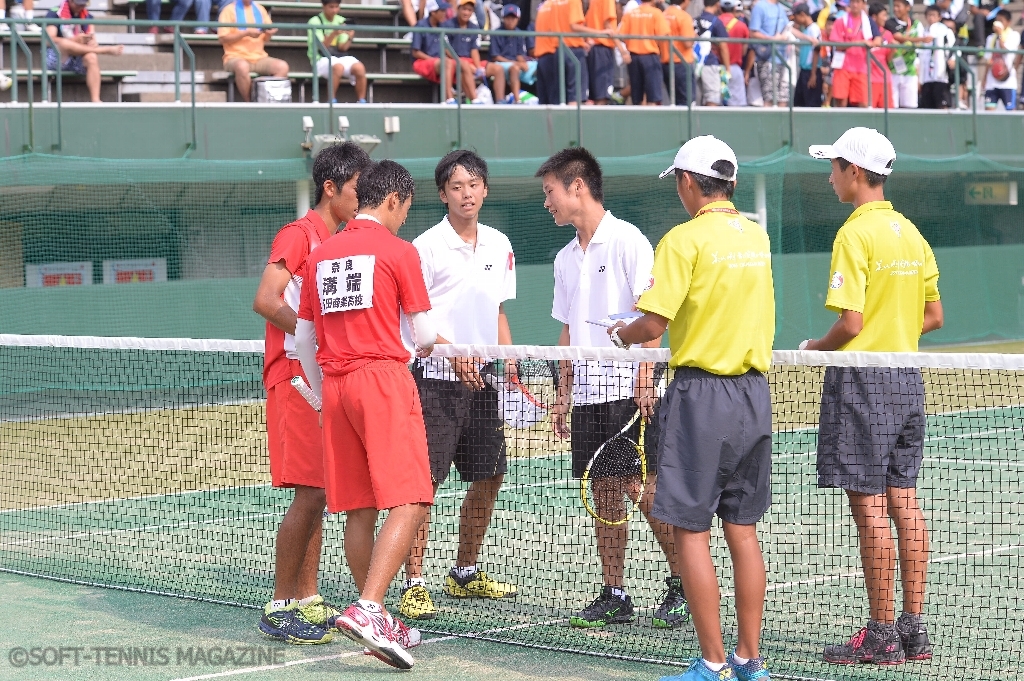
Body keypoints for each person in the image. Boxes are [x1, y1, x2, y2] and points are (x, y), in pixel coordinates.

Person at [609, 135, 774, 681]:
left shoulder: (682, 240)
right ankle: (750, 661)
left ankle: (713, 664)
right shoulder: (757, 236)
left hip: (701, 395)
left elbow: (652, 325)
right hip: (754, 396)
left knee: (691, 531)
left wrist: (622, 335)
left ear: (686, 182)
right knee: (743, 530)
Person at [804, 127, 942, 666]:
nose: (830, 176)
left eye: (834, 166)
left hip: (863, 379)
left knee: (870, 512)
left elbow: (851, 322)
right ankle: (912, 629)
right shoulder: (911, 233)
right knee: (904, 499)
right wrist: (895, 333)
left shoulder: (855, 234)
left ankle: (882, 635)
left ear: (854, 173)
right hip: (907, 378)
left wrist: (816, 348)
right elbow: (933, 316)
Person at [538, 147, 689, 632]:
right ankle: (615, 591)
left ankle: (683, 583)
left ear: (577, 187)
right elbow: (566, 331)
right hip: (586, 395)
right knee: (603, 494)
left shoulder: (629, 241)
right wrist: (563, 393)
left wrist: (646, 376)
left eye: (551, 193)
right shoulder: (564, 258)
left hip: (630, 390)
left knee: (644, 493)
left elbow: (653, 315)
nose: (548, 204)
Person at [294, 160, 436, 670]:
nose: (404, 221)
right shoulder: (400, 252)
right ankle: (371, 606)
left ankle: (371, 613)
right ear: (394, 200)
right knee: (413, 497)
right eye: (406, 210)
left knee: (360, 507)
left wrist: (318, 387)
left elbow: (304, 338)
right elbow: (421, 336)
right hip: (381, 381)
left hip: (334, 387)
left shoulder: (322, 253)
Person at [251, 142, 373, 646]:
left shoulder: (341, 240)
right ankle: (279, 606)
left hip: (323, 379)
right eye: (357, 191)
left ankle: (305, 597)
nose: (363, 200)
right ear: (331, 188)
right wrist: (312, 337)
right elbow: (265, 299)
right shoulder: (299, 235)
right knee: (313, 492)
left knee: (320, 491)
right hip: (295, 379)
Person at [400, 150, 519, 622]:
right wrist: (456, 355)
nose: (466, 193)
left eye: (473, 184)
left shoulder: (499, 243)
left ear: (485, 189)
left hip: (484, 381)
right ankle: (413, 581)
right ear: (443, 195)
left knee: (491, 474)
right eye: (456, 186)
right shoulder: (424, 247)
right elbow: (414, 323)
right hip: (435, 383)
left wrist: (507, 363)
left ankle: (464, 572)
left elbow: (498, 313)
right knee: (422, 483)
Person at [44, 0, 125, 103]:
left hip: (78, 57)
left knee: (92, 57)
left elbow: (93, 39)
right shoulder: (54, 13)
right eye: (78, 3)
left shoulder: (87, 16)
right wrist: (75, 40)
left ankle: (95, 100)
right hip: (58, 58)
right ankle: (104, 50)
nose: (81, 6)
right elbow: (49, 40)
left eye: (83, 3)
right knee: (65, 44)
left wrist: (91, 42)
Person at [218, 0, 289, 102]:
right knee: (242, 66)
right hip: (234, 56)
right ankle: (251, 102)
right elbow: (223, 38)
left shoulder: (260, 9)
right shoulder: (228, 10)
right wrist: (245, 33)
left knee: (282, 67)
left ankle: (266, 99)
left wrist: (269, 33)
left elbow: (266, 38)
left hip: (259, 57)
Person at [412, 0, 480, 103]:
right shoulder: (421, 25)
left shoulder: (443, 26)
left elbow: (446, 48)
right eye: (442, 11)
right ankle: (448, 99)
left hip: (440, 61)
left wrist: (455, 59)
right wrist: (433, 59)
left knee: (464, 64)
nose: (445, 13)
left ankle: (475, 100)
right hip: (423, 61)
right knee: (447, 62)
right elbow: (415, 52)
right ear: (433, 12)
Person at [534, 0, 601, 104]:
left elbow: (554, 29)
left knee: (552, 102)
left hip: (551, 53)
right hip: (565, 51)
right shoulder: (570, 2)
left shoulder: (547, 6)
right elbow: (573, 26)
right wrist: (599, 33)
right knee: (574, 98)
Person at [443, 0, 507, 103]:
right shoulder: (447, 25)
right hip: (454, 60)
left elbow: (474, 50)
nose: (466, 13)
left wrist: (478, 68)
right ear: (458, 9)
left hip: (469, 61)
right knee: (465, 65)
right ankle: (475, 100)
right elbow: (445, 48)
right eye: (464, 9)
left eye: (469, 10)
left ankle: (500, 101)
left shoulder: (474, 27)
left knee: (498, 69)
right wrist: (461, 61)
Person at [307, 0, 367, 103]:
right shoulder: (315, 21)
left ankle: (361, 101)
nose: (334, 10)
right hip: (320, 58)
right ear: (324, 6)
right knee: (338, 67)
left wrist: (350, 38)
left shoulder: (341, 20)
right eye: (331, 7)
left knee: (359, 68)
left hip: (339, 56)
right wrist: (334, 34)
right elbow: (322, 48)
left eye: (336, 7)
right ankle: (332, 100)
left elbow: (342, 48)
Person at [829, 0, 881, 107]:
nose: (855, 5)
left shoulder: (868, 21)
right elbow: (837, 45)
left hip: (861, 68)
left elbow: (878, 39)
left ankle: (861, 124)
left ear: (863, 4)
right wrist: (858, 42)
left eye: (858, 2)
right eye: (853, 2)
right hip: (842, 67)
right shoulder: (841, 21)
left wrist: (873, 43)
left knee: (863, 102)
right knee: (841, 102)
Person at [619, 0, 670, 105]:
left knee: (637, 97)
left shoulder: (631, 13)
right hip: (650, 57)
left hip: (634, 57)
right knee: (653, 97)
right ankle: (652, 120)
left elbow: (621, 35)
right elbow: (663, 36)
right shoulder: (656, 13)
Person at [490, 4, 537, 103]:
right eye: (508, 17)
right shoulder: (496, 32)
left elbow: (519, 54)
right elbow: (496, 57)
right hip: (501, 63)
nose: (510, 20)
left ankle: (543, 98)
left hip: (515, 62)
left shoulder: (518, 33)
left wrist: (522, 62)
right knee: (514, 68)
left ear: (518, 19)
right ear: (503, 18)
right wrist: (515, 63)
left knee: (539, 66)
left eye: (513, 18)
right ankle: (517, 99)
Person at [884, 0, 927, 109]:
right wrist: (920, 39)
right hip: (893, 70)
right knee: (892, 106)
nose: (895, 9)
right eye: (894, 6)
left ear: (908, 7)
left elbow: (919, 48)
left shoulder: (916, 24)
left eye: (899, 6)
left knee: (910, 107)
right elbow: (898, 37)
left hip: (910, 71)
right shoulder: (890, 23)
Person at [749, 0, 790, 107]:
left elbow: (788, 28)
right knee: (769, 97)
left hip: (782, 58)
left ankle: (782, 124)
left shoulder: (780, 8)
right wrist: (773, 39)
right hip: (767, 59)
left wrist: (808, 38)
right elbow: (753, 32)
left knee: (783, 97)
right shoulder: (760, 7)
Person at [980, 10, 1020, 111]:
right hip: (991, 82)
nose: (998, 22)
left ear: (1008, 22)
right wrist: (984, 79)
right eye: (997, 20)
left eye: (1001, 20)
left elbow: (1005, 50)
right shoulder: (991, 38)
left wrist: (1000, 35)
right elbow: (989, 59)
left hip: (1007, 81)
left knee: (1011, 112)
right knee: (989, 111)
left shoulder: (1014, 35)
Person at [694, 0, 731, 106]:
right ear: (717, 4)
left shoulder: (695, 20)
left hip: (694, 62)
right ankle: (709, 122)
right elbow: (723, 46)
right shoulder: (716, 21)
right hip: (710, 62)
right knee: (712, 97)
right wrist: (728, 69)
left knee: (696, 98)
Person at [919, 5, 955, 109]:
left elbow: (954, 48)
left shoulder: (946, 32)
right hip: (926, 76)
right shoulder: (923, 33)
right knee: (927, 104)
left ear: (939, 17)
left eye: (934, 15)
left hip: (941, 75)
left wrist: (952, 60)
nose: (931, 18)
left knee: (941, 103)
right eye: (929, 15)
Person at [661, 0, 696, 105]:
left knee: (673, 101)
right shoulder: (684, 17)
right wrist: (694, 36)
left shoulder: (663, 14)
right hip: (682, 63)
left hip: (665, 62)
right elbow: (688, 43)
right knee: (687, 101)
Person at [717, 0, 749, 107]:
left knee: (714, 105)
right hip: (734, 68)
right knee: (737, 107)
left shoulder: (715, 22)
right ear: (734, 8)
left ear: (720, 8)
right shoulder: (742, 26)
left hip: (716, 68)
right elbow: (744, 51)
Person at [585, 0, 618, 103]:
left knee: (595, 95)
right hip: (603, 49)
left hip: (593, 49)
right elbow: (608, 24)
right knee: (602, 95)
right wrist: (622, 50)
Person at [791, 3, 824, 106]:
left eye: (796, 17)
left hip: (811, 71)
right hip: (804, 71)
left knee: (811, 103)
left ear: (802, 15)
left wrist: (813, 74)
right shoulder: (805, 29)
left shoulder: (814, 28)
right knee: (799, 102)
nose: (795, 20)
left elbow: (816, 51)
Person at [867, 3, 894, 108]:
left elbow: (888, 59)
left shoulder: (888, 34)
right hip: (870, 79)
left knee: (886, 113)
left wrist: (893, 49)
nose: (885, 18)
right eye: (883, 15)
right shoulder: (865, 33)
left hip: (885, 79)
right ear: (874, 17)